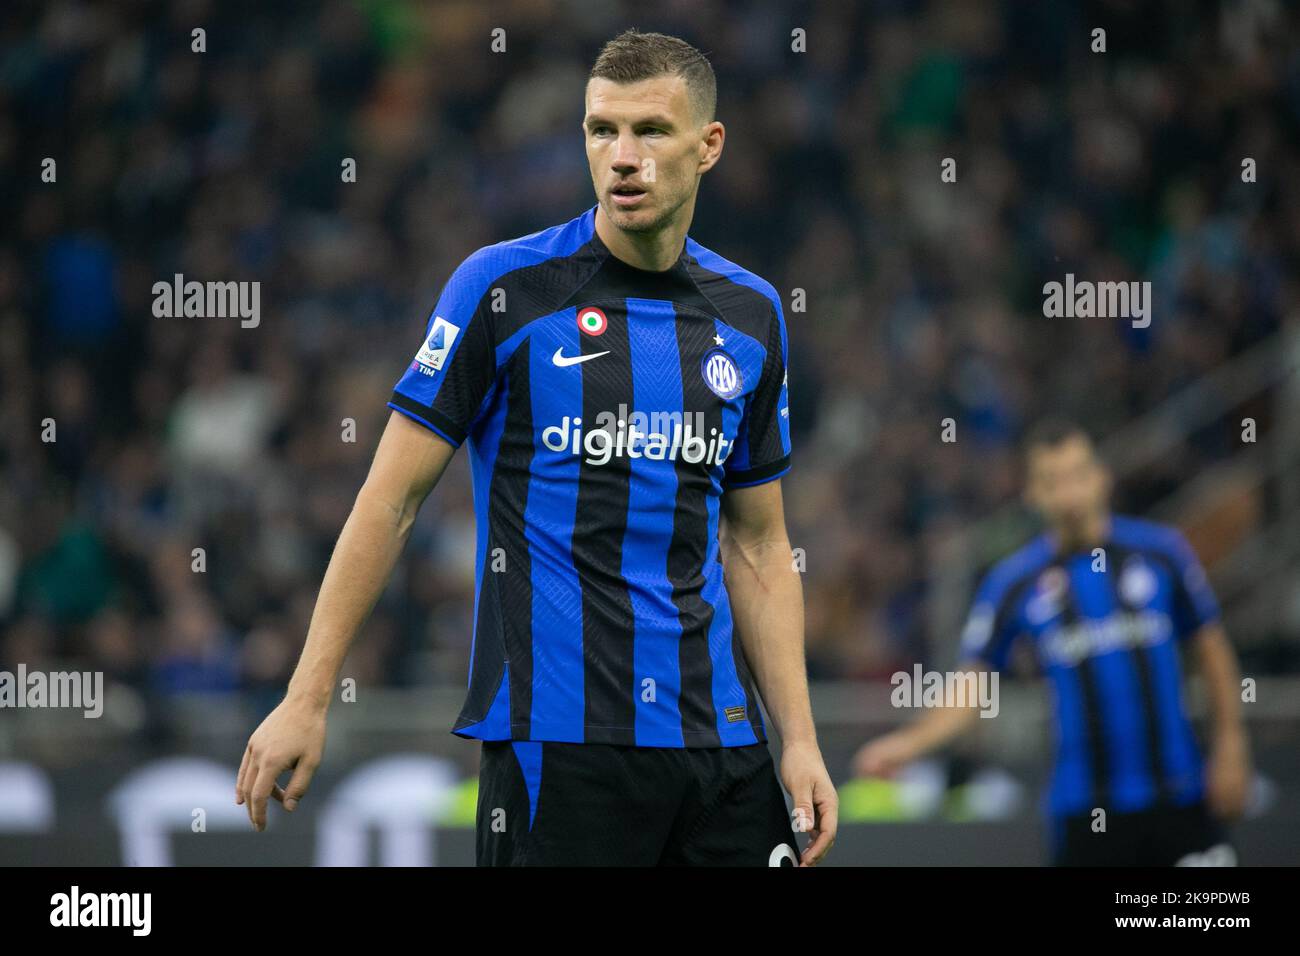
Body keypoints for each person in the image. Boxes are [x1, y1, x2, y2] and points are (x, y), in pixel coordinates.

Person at [236, 29, 836, 867]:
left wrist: (798, 738)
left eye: (651, 131)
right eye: (601, 130)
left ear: (709, 146)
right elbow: (391, 499)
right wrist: (308, 693)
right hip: (558, 746)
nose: (622, 156)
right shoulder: (504, 290)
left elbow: (760, 542)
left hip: (722, 747)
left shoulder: (752, 314)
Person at [854, 419, 1251, 865]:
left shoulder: (1162, 553)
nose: (1069, 495)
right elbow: (974, 685)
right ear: (1032, 494)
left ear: (1102, 477)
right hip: (1085, 811)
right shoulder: (1015, 582)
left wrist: (1231, 745)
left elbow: (1211, 649)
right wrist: (908, 744)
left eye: (1078, 476)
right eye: (1052, 481)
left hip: (1181, 796)